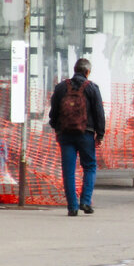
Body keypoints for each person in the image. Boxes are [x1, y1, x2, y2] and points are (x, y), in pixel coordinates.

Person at [48, 58, 106, 216]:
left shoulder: (61, 88)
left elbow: (53, 112)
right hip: (85, 134)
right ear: (87, 72)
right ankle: (86, 201)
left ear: (74, 70)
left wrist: (57, 128)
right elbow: (99, 112)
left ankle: (72, 207)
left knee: (68, 170)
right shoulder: (92, 88)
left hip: (65, 134)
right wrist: (99, 134)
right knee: (89, 167)